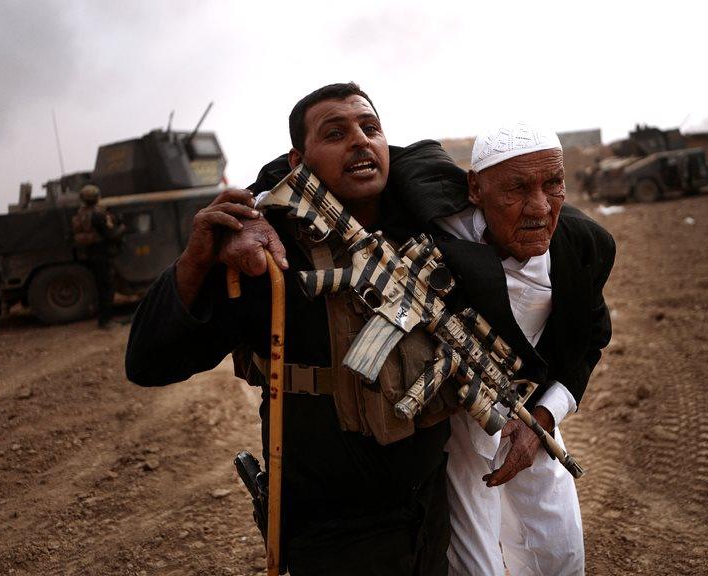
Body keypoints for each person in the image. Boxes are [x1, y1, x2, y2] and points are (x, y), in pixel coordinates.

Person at [125, 83, 452, 576]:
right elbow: (149, 361)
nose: (360, 142)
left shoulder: (421, 221)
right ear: (299, 161)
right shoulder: (266, 262)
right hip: (335, 533)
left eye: (370, 128)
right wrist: (199, 258)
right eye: (335, 133)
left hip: (431, 506)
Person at [386, 122, 615, 575]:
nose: (539, 207)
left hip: (534, 411)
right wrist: (253, 206)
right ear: (475, 188)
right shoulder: (436, 214)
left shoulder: (583, 245)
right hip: (456, 424)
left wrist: (543, 422)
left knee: (559, 551)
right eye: (516, 188)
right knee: (474, 563)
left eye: (553, 184)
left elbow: (588, 341)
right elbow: (345, 150)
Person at [72, 184, 123, 328]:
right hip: (102, 253)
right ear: (96, 198)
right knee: (107, 287)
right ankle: (105, 321)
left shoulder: (81, 213)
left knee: (101, 287)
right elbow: (111, 235)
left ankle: (104, 319)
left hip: (91, 253)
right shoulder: (98, 214)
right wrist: (122, 228)